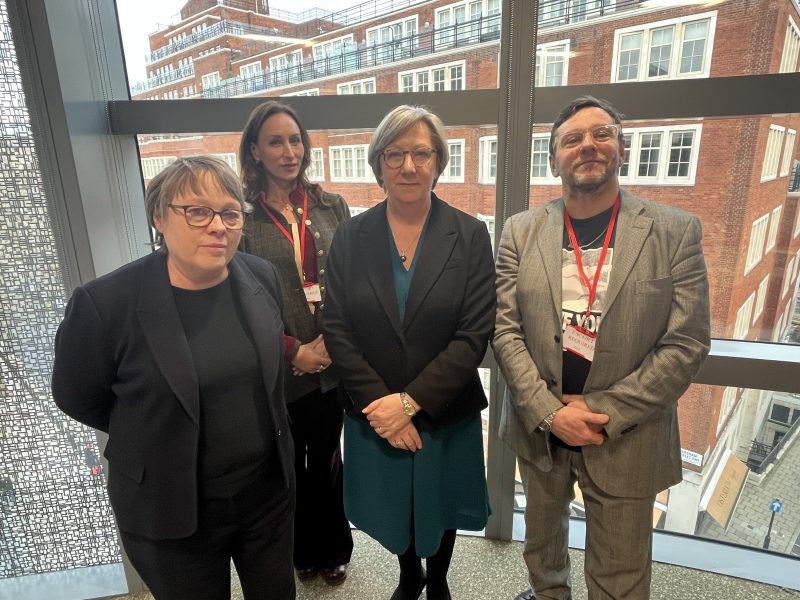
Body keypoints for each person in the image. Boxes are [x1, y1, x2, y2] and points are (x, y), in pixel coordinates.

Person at [493, 95, 711, 600]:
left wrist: (600, 410)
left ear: (621, 147)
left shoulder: (674, 231)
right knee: (542, 552)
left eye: (601, 134)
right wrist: (550, 412)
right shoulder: (519, 232)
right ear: (553, 159)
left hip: (626, 433)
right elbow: (505, 331)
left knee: (621, 573)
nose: (588, 145)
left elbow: (686, 342)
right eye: (572, 139)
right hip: (540, 427)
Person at [51, 156, 295, 600]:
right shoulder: (105, 303)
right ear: (159, 217)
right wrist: (155, 424)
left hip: (265, 496)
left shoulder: (260, 276)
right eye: (197, 211)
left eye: (230, 212)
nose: (217, 226)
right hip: (169, 508)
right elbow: (76, 395)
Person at [323, 105, 496, 600]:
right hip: (374, 408)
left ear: (439, 162)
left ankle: (437, 580)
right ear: (378, 164)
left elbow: (474, 333)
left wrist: (410, 403)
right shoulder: (351, 236)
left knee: (440, 502)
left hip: (442, 406)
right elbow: (335, 325)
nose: (409, 166)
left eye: (422, 153)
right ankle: (408, 575)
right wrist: (384, 406)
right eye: (395, 154)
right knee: (395, 502)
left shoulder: (468, 234)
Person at [238, 100, 353, 585]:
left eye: (295, 140)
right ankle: (301, 550)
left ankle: (335, 547)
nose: (289, 151)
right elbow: (240, 298)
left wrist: (330, 343)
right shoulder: (243, 218)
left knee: (328, 459)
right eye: (275, 142)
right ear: (255, 152)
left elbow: (352, 278)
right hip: (279, 366)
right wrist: (293, 350)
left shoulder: (331, 206)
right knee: (290, 466)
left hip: (331, 362)